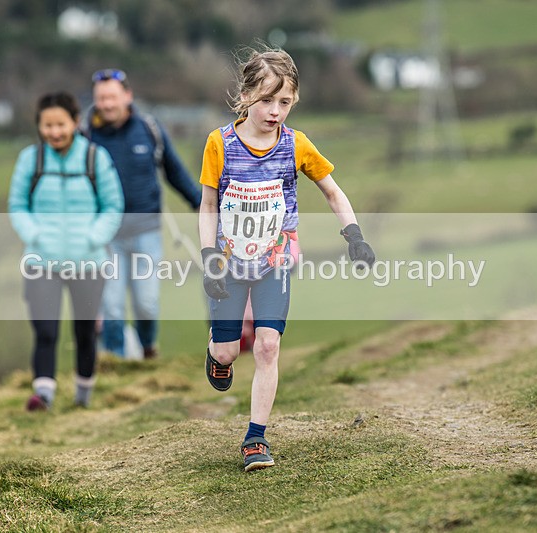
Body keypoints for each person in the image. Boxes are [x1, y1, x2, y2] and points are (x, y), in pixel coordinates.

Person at [198, 48, 376, 472]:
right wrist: (208, 257)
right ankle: (216, 355)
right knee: (227, 352)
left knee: (267, 345)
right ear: (245, 97)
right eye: (266, 100)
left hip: (276, 261)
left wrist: (354, 235)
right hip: (230, 261)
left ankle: (255, 439)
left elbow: (333, 191)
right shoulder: (218, 143)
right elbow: (207, 206)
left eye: (285, 101)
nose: (275, 111)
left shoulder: (296, 145)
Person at [8, 91, 123, 411]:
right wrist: (35, 234)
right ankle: (43, 395)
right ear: (39, 127)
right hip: (41, 260)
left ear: (75, 123)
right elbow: (18, 205)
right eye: (47, 126)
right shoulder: (30, 160)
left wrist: (93, 237)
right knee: (45, 330)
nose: (54, 132)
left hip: (88, 261)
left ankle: (83, 395)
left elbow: (113, 205)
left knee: (85, 332)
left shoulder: (94, 158)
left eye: (60, 124)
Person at [85, 69, 202, 360]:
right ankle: (115, 363)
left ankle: (147, 350)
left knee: (146, 304)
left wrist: (199, 203)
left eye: (112, 97)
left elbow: (174, 171)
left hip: (146, 232)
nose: (107, 104)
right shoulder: (85, 136)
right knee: (111, 307)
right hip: (105, 237)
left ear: (127, 96)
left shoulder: (149, 129)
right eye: (101, 98)